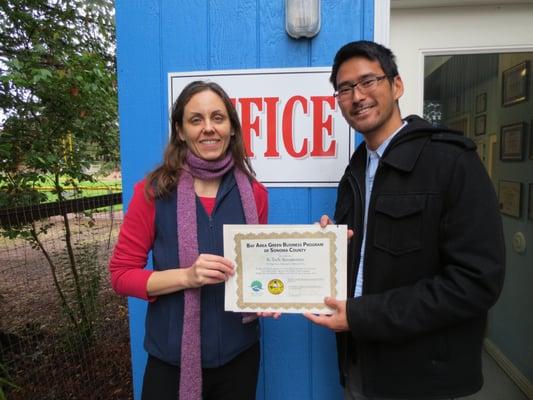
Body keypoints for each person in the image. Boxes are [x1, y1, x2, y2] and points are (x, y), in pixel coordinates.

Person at [304, 40, 505, 400]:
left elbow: (476, 282)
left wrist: (361, 316)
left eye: (369, 81)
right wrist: (332, 247)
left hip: (422, 377)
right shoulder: (355, 170)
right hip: (360, 364)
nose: (357, 96)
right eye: (345, 88)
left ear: (397, 86)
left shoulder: (452, 162)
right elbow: (370, 259)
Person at [109, 81, 268, 400]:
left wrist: (271, 294)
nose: (209, 128)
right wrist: (187, 276)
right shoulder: (152, 193)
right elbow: (121, 275)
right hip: (171, 363)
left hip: (240, 358)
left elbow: (260, 271)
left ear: (232, 129)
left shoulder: (254, 194)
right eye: (196, 119)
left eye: (218, 118)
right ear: (180, 131)